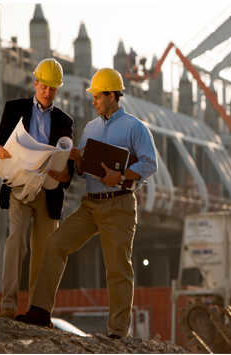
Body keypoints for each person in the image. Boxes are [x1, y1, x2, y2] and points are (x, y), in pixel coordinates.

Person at [16, 68, 158, 340]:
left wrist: (122, 175)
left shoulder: (135, 127)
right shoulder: (91, 128)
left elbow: (150, 163)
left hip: (119, 205)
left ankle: (117, 333)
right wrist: (74, 159)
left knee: (117, 267)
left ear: (112, 95)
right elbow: (83, 168)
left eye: (97, 96)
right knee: (56, 244)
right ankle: (41, 311)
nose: (92, 101)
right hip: (90, 205)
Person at [0, 58, 75, 321]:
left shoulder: (65, 120)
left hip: (48, 191)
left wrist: (65, 174)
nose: (47, 93)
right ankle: (7, 306)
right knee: (16, 241)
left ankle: (38, 311)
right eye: (44, 86)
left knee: (43, 249)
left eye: (53, 89)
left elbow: (68, 159)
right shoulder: (14, 108)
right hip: (18, 186)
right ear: (35, 83)